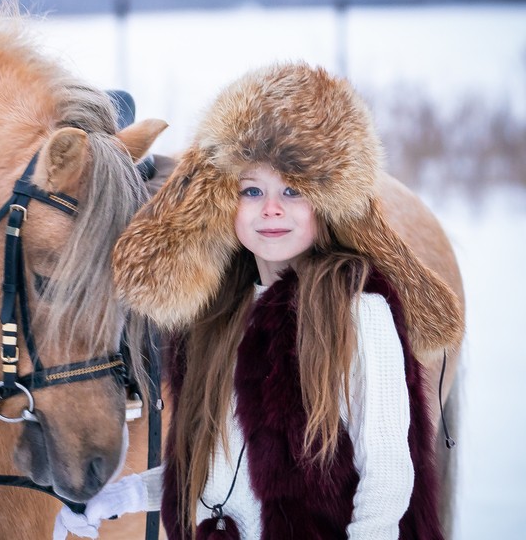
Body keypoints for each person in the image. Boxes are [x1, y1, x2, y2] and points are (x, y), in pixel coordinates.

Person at [54, 63, 463, 539]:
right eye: (252, 190)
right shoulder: (220, 321)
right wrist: (121, 496)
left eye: (293, 191)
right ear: (225, 201)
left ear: (327, 204)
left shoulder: (360, 315)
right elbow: (217, 475)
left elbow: (388, 478)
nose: (271, 208)